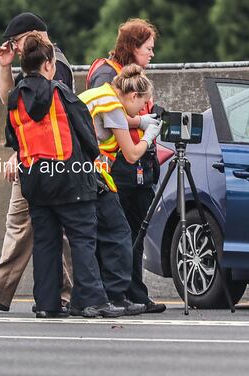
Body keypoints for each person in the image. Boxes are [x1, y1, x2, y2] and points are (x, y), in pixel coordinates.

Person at [5, 33, 123, 318]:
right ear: (49, 64)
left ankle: (47, 304)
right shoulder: (62, 93)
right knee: (83, 238)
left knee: (46, 242)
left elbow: (13, 138)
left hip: (35, 180)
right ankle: (92, 300)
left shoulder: (14, 98)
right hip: (70, 178)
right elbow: (88, 138)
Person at [0, 12, 75, 312]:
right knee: (20, 223)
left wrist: (17, 152)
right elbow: (12, 101)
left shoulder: (54, 65)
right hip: (33, 158)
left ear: (36, 34)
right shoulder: (34, 62)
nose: (15, 48)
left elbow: (44, 116)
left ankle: (65, 294)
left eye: (17, 42)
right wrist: (4, 67)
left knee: (55, 230)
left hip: (47, 160)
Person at [86, 18, 166, 313]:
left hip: (137, 162)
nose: (151, 54)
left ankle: (134, 291)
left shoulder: (135, 76)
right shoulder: (107, 74)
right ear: (133, 47)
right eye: (148, 48)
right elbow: (110, 114)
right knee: (117, 232)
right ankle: (116, 292)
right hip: (117, 163)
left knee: (136, 230)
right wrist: (144, 125)